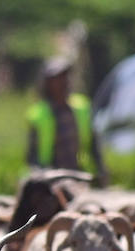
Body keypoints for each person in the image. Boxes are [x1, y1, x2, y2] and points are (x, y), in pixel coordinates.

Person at [26, 57, 109, 185]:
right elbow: (32, 155)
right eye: (57, 78)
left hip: (79, 174)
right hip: (51, 178)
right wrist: (40, 174)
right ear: (48, 83)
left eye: (65, 77)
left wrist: (101, 170)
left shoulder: (82, 107)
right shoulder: (39, 113)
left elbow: (93, 144)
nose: (63, 82)